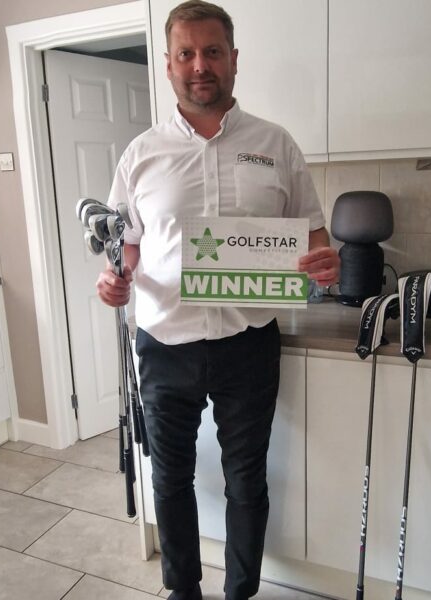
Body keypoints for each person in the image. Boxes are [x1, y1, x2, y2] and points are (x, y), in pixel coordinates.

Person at [97, 2, 339, 598]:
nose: (199, 65)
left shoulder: (276, 144)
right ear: (169, 64)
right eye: (186, 53)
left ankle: (241, 592)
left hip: (247, 343)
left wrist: (324, 261)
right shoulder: (140, 154)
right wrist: (115, 277)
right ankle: (183, 590)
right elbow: (127, 245)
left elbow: (313, 236)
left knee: (246, 480)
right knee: (170, 478)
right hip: (164, 343)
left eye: (211, 52)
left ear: (233, 59)